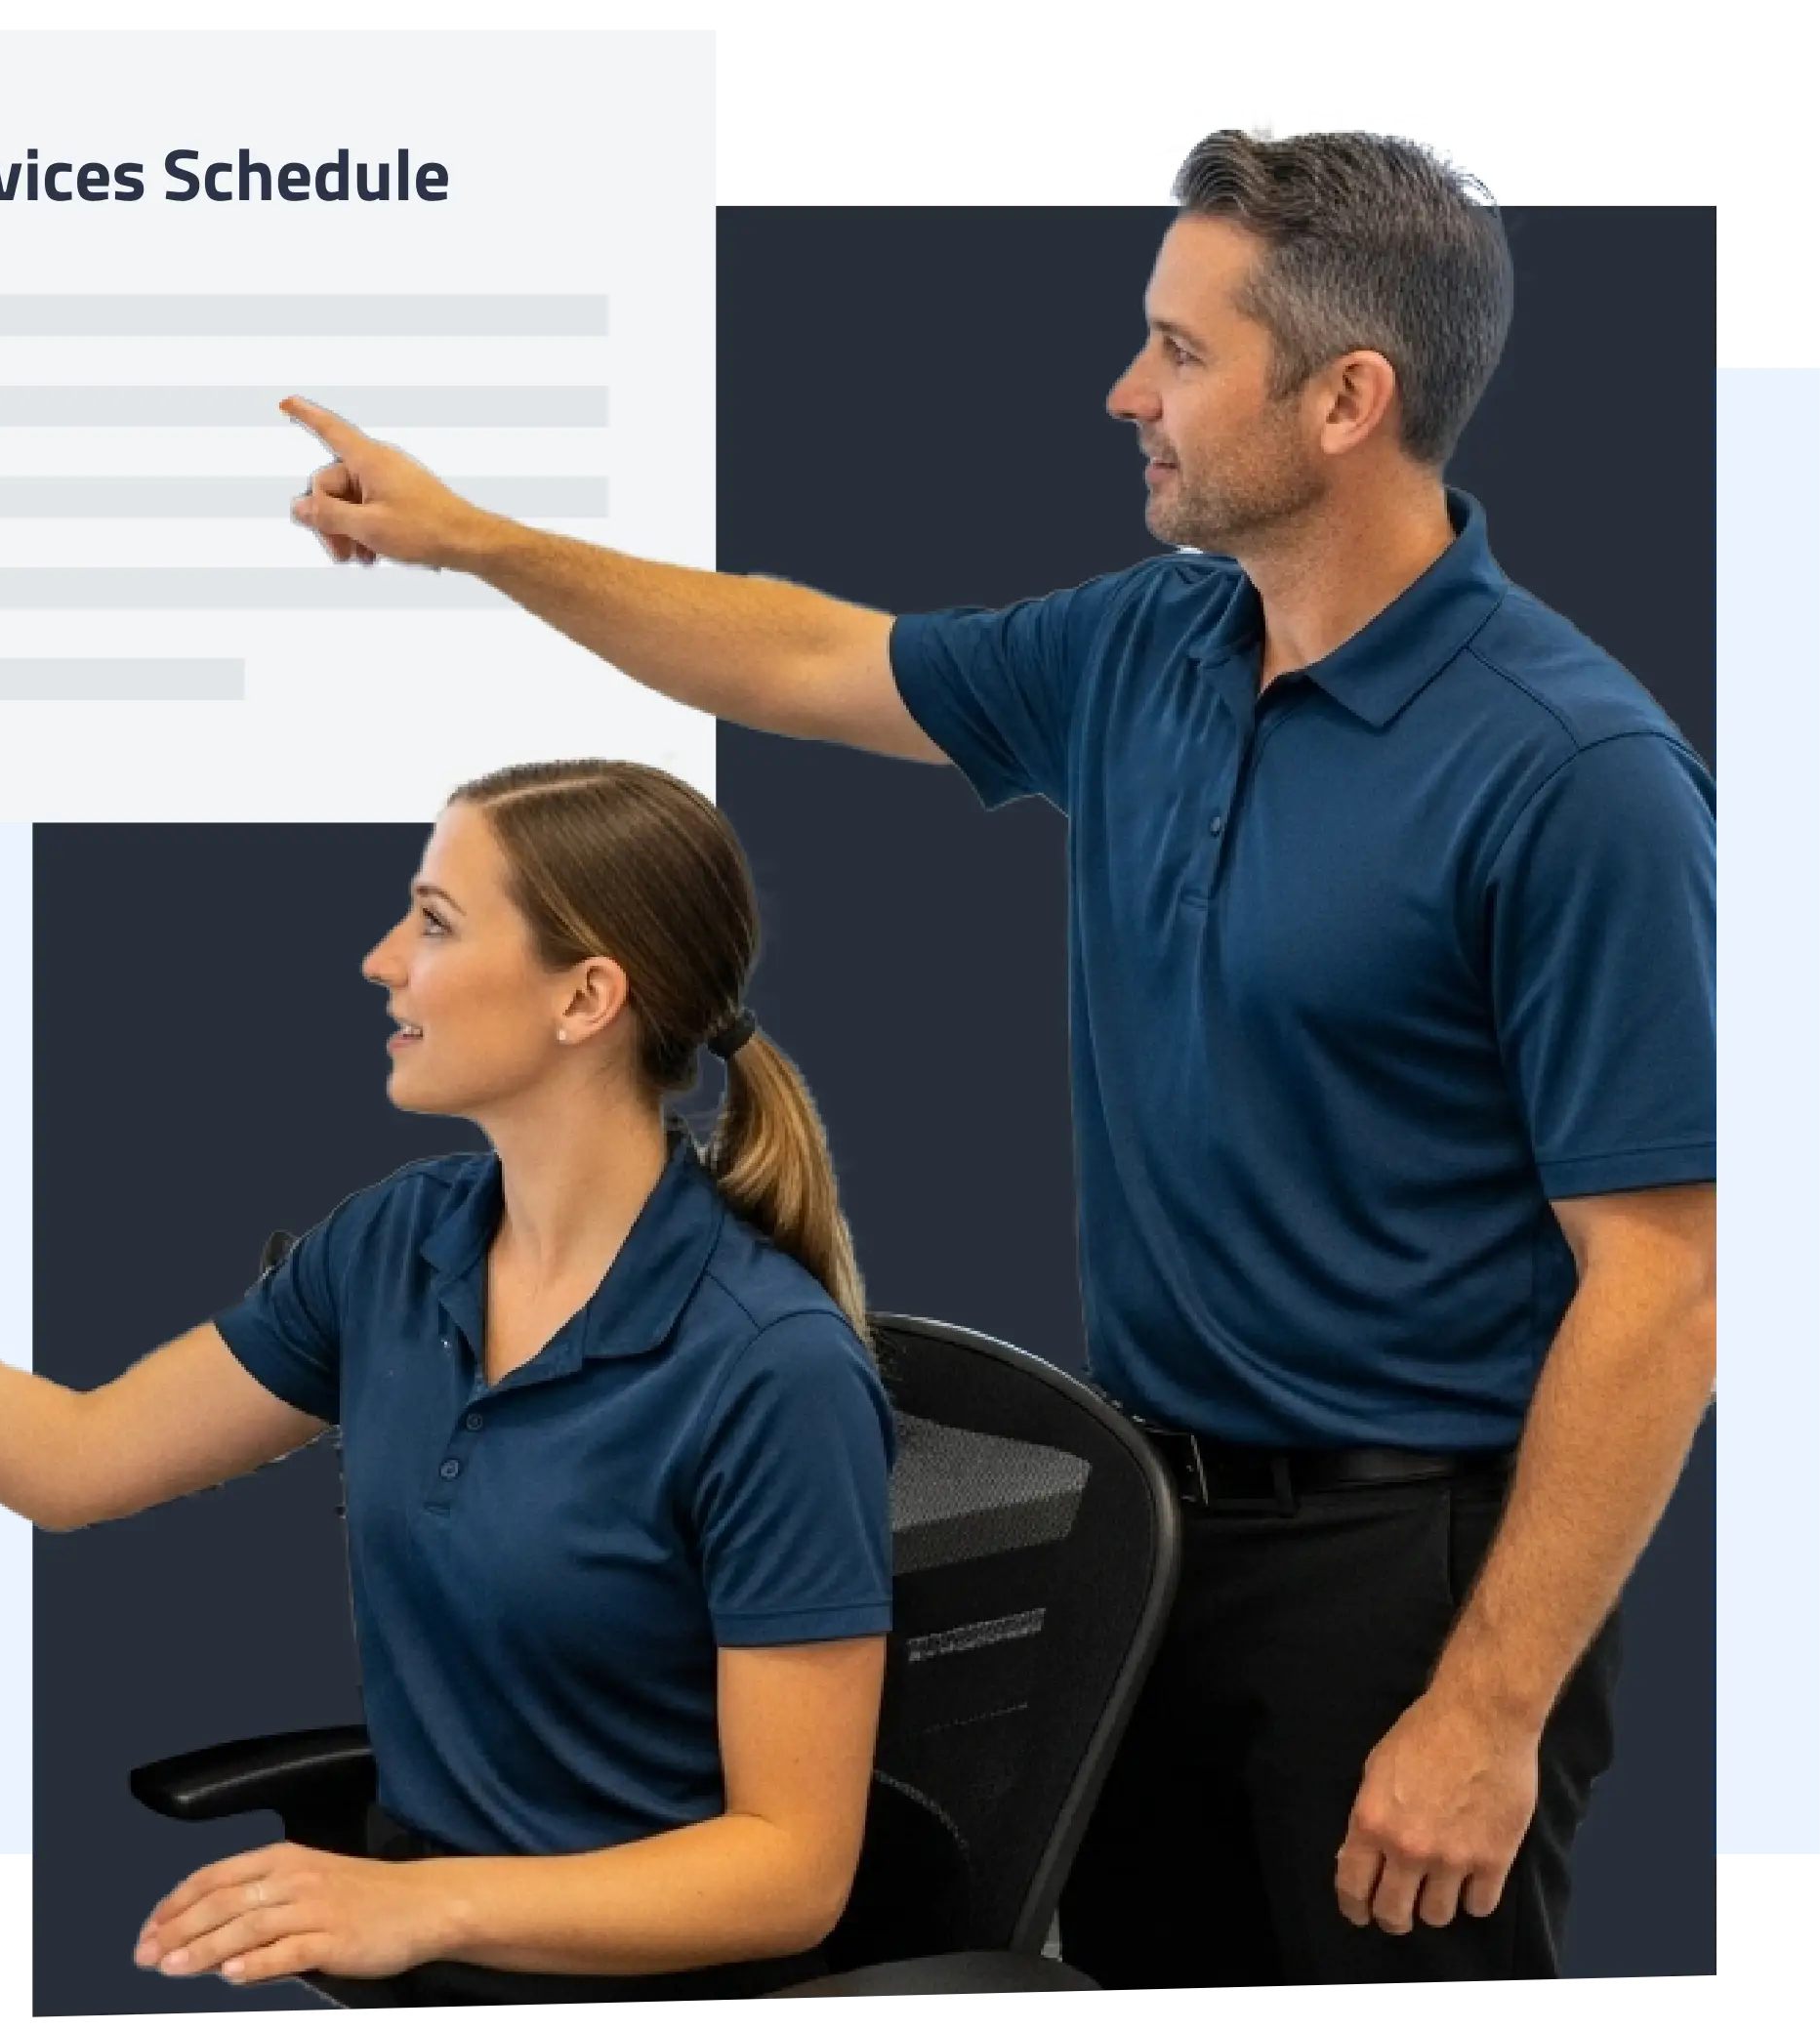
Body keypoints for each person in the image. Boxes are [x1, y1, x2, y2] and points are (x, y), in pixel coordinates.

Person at [270, 126, 1718, 1989]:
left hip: (1408, 1572)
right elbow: (807, 659)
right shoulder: (1155, 647)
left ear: (1350, 398)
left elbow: (1665, 1286)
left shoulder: (1575, 778)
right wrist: (478, 541)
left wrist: (1488, 1709)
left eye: (1185, 354)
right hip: (1139, 1537)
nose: (1131, 392)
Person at [0, 760, 896, 2009]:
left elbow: (787, 1876)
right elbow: (72, 1458)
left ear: (588, 996)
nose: (379, 959)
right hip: (420, 1954)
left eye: (436, 922)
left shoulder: (770, 1370)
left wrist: (418, 1902)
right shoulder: (403, 1243)